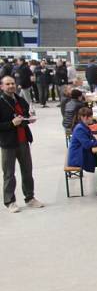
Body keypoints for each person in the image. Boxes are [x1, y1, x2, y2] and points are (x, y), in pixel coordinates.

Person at [0, 75, 43, 212]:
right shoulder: (1, 102)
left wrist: (29, 119)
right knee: (9, 173)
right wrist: (11, 124)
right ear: (2, 86)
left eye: (12, 83)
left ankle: (30, 198)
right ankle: (9, 201)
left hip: (23, 141)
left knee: (27, 171)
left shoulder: (20, 99)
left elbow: (25, 115)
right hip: (8, 144)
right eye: (7, 84)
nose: (11, 86)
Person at [68, 107, 97, 197]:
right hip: (78, 158)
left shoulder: (84, 126)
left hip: (83, 154)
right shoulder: (80, 129)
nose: (92, 118)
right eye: (90, 117)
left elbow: (92, 140)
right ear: (84, 117)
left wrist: (96, 141)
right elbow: (87, 144)